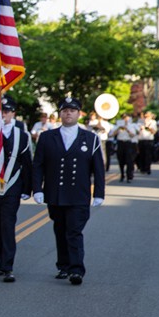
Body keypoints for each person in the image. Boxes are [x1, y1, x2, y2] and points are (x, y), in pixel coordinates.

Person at [32, 97, 105, 285]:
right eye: (65, 110)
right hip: (55, 193)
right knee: (60, 230)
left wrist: (99, 193)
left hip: (78, 194)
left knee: (73, 231)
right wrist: (37, 189)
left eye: (72, 110)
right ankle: (63, 266)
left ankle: (76, 270)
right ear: (60, 114)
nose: (68, 113)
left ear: (79, 114)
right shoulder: (47, 137)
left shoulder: (90, 138)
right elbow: (38, 165)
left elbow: (97, 168)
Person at [0, 96, 33, 283]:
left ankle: (8, 266)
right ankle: (0, 261)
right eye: (1, 111)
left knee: (7, 224)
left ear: (14, 113)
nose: (4, 114)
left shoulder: (22, 135)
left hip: (12, 186)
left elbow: (27, 163)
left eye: (7, 111)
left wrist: (29, 188)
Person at [110, 113, 138, 183]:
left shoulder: (131, 126)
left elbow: (133, 135)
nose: (125, 120)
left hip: (128, 143)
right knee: (121, 160)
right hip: (120, 143)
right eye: (124, 118)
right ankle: (122, 174)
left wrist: (127, 129)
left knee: (129, 160)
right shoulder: (117, 126)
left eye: (127, 118)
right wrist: (118, 129)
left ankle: (129, 176)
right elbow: (111, 135)